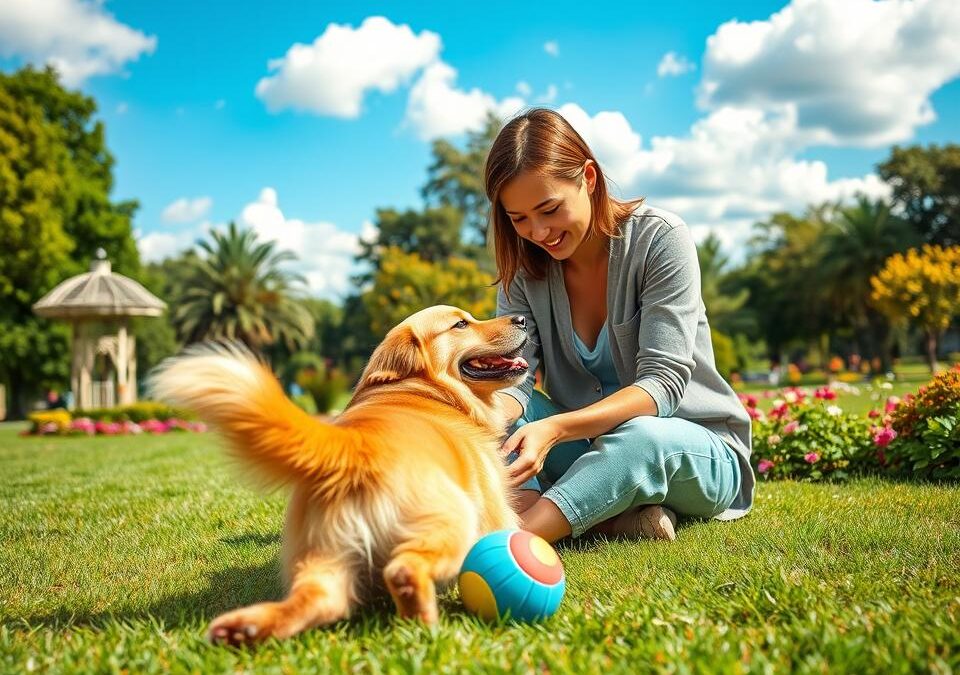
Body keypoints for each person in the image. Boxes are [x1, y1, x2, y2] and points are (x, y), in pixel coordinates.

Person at [485, 108, 754, 543]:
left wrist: (556, 428)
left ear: (588, 178)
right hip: (583, 453)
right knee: (487, 407)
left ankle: (510, 543)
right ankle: (608, 519)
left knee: (640, 437)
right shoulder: (523, 271)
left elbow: (662, 386)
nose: (537, 231)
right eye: (518, 219)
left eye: (549, 209)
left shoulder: (661, 239)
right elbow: (515, 381)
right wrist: (488, 415)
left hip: (690, 449)